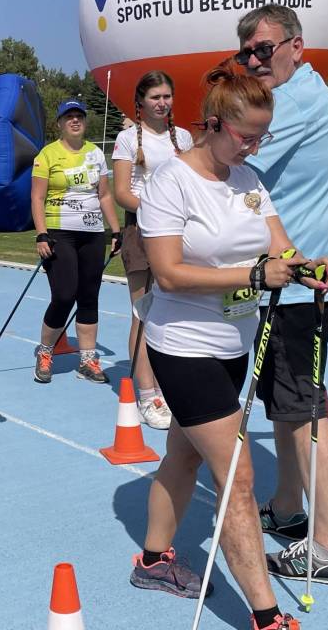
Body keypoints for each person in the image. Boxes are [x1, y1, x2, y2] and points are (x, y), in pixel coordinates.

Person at [131, 62, 328, 630]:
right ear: (214, 124)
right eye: (246, 136)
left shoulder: (249, 180)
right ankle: (267, 617)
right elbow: (168, 273)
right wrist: (253, 275)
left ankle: (153, 561)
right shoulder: (170, 181)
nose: (254, 147)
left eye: (262, 136)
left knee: (185, 453)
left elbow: (280, 247)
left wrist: (305, 266)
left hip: (234, 345)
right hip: (182, 345)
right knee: (238, 478)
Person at [234, 4, 328, 586]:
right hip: (303, 279)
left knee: (302, 409)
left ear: (296, 46)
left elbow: (231, 150)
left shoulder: (291, 102)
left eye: (264, 49)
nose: (254, 61)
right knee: (285, 407)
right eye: (246, 53)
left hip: (298, 282)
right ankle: (288, 508)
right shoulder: (310, 90)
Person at [112, 71, 193, 429]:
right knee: (143, 312)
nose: (162, 103)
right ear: (140, 102)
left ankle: (168, 385)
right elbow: (121, 193)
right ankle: (147, 394)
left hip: (179, 233)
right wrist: (158, 211)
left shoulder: (184, 138)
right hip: (143, 232)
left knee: (173, 313)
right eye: (155, 97)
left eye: (166, 96)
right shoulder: (127, 139)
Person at [31, 99, 121, 384]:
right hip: (59, 231)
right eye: (68, 117)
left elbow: (104, 195)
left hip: (92, 233)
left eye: (79, 116)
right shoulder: (47, 154)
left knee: (89, 295)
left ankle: (87, 359)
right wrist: (41, 233)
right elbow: (37, 197)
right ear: (60, 123)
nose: (74, 121)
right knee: (63, 295)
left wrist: (115, 231)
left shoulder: (95, 153)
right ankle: (46, 351)